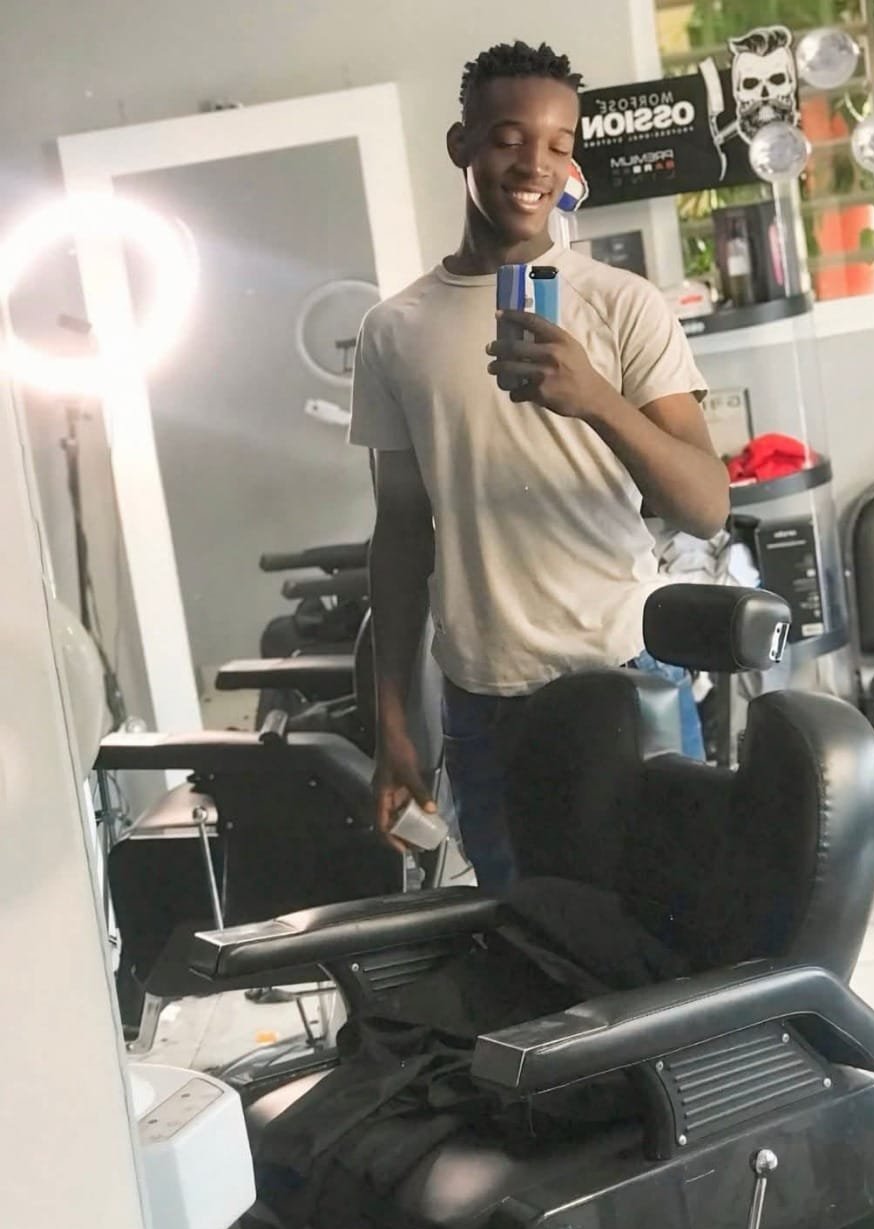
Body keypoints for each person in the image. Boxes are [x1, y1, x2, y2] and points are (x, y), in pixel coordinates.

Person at [349, 40, 730, 892]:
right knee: (522, 934)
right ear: (461, 144)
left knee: (667, 920)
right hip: (484, 702)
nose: (536, 165)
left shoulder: (622, 304)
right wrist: (394, 726)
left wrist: (596, 399)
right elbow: (401, 535)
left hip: (627, 673)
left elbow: (707, 506)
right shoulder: (395, 331)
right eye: (510, 138)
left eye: (560, 144)